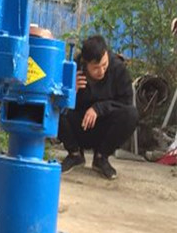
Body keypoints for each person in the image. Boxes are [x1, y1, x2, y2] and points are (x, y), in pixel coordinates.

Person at [58, 34, 138, 180]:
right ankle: (75, 154)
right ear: (85, 63)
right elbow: (58, 100)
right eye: (95, 68)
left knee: (131, 115)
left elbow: (126, 102)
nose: (101, 71)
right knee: (53, 109)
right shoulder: (74, 67)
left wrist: (99, 108)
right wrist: (70, 91)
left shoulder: (118, 68)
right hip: (79, 126)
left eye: (104, 65)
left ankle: (101, 157)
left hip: (105, 127)